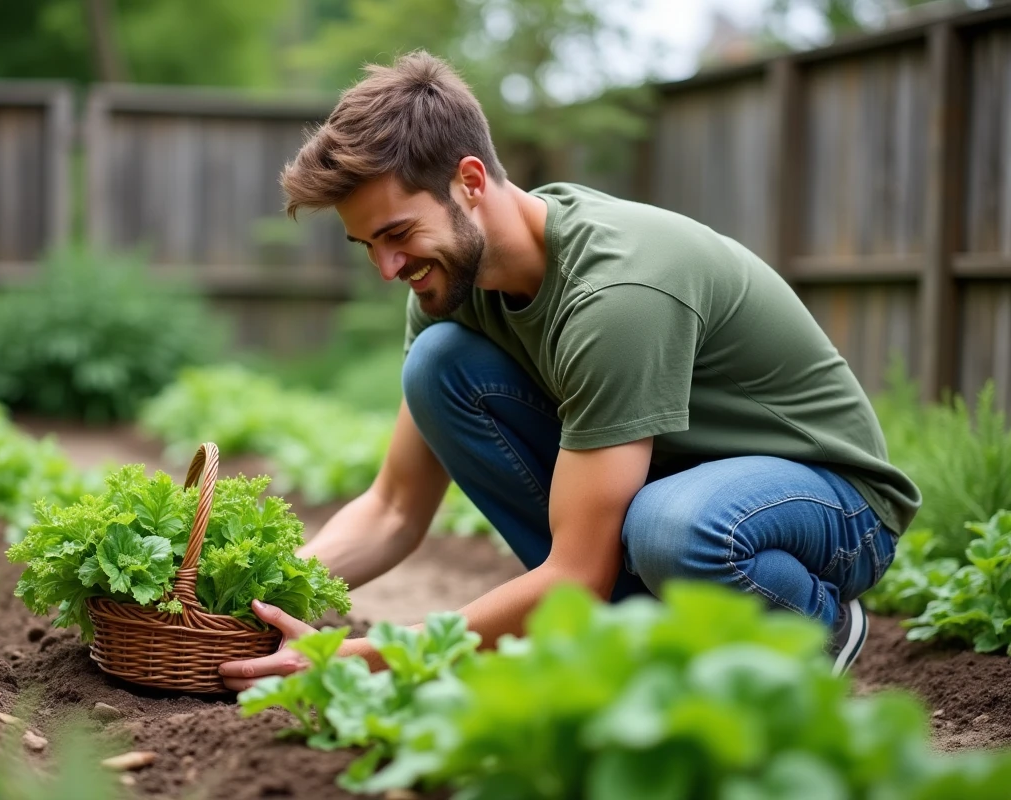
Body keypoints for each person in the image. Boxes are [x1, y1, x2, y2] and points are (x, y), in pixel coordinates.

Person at [217, 50, 920, 690]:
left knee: (672, 528)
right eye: (367, 244)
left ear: (468, 182)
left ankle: (812, 625)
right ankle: (652, 642)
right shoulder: (449, 286)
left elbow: (576, 574)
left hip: (828, 499)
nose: (386, 268)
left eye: (397, 234)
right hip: (670, 489)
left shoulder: (618, 293)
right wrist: (243, 588)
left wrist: (379, 655)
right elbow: (395, 508)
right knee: (437, 366)